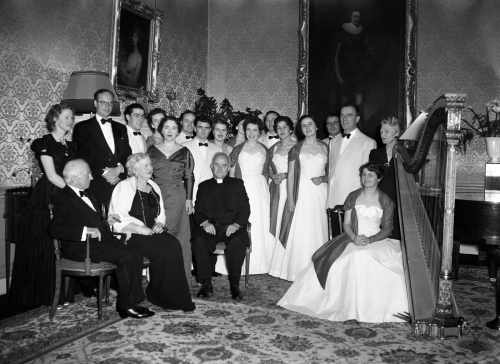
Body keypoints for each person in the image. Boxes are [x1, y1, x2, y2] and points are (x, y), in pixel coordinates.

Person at [278, 163, 408, 323]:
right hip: (352, 237)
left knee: (368, 259)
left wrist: (370, 240)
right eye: (363, 174)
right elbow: (346, 224)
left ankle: (369, 307)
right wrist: (355, 238)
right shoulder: (353, 196)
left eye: (370, 175)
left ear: (379, 178)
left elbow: (388, 229)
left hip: (376, 240)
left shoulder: (386, 201)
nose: (366, 178)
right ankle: (343, 305)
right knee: (347, 258)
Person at [50, 159, 152, 319]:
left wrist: (106, 221)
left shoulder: (89, 193)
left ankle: (134, 301)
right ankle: (127, 306)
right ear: (74, 178)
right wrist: (85, 231)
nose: (91, 177)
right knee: (126, 256)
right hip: (82, 248)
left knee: (134, 251)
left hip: (100, 243)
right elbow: (55, 228)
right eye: (88, 174)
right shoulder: (62, 197)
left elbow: (91, 220)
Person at [8, 103, 75, 313]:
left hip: (65, 195)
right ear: (54, 119)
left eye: (71, 118)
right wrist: (74, 193)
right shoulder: (43, 142)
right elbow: (52, 175)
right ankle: (43, 295)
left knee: (62, 246)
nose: (70, 121)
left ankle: (62, 293)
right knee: (46, 246)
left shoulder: (71, 145)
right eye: (66, 117)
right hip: (47, 197)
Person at [109, 153, 195, 312]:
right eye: (146, 166)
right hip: (132, 235)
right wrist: (141, 229)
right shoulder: (124, 186)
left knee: (173, 243)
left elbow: (160, 213)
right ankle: (161, 296)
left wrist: (159, 224)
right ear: (135, 170)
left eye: (150, 164)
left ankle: (167, 295)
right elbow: (118, 218)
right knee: (163, 249)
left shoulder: (154, 186)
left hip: (151, 232)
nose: (150, 168)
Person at [270, 115, 329, 281]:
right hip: (301, 192)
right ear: (300, 130)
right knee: (301, 229)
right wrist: (290, 199)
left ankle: (318, 266)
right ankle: (297, 269)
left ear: (317, 127)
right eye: (304, 126)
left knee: (318, 227)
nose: (307, 128)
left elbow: (331, 172)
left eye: (310, 124)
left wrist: (323, 179)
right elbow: (291, 174)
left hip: (320, 193)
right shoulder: (297, 148)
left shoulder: (325, 147)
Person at [192, 153, 250, 300]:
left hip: (232, 227)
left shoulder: (237, 184)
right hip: (211, 227)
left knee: (238, 242)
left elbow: (245, 209)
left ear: (229, 167)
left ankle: (234, 285)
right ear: (212, 166)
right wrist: (205, 223)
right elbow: (197, 210)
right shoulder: (204, 186)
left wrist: (236, 225)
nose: (220, 168)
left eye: (224, 165)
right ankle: (206, 284)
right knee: (198, 240)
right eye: (216, 164)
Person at [148, 116, 194, 281]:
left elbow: (189, 177)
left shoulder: (185, 152)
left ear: (178, 130)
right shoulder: (152, 151)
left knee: (177, 236)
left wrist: (189, 199)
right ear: (161, 129)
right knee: (157, 236)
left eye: (174, 128)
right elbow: (147, 176)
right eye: (166, 127)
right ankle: (160, 278)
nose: (170, 131)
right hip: (155, 196)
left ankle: (179, 279)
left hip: (177, 197)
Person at [229, 118, 275, 274]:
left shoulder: (265, 149)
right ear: (244, 131)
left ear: (260, 131)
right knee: (244, 220)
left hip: (260, 189)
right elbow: (232, 172)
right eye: (248, 130)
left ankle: (262, 262)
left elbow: (268, 171)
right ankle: (240, 261)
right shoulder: (237, 149)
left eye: (255, 130)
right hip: (243, 187)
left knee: (260, 221)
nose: (251, 133)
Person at [73, 89, 131, 206]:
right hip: (95, 185)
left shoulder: (121, 128)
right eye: (103, 102)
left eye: (110, 103)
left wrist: (119, 170)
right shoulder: (82, 127)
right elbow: (81, 158)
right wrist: (106, 174)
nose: (107, 106)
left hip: (120, 184)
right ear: (95, 103)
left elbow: (127, 154)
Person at [327, 104, 376, 208]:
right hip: (331, 198)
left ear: (357, 119)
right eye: (342, 115)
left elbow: (367, 176)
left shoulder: (368, 143)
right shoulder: (333, 141)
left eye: (349, 115)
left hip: (352, 198)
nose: (344, 119)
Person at [369, 116, 401, 239]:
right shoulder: (375, 154)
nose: (383, 134)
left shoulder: (404, 153)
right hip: (379, 201)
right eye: (381, 131)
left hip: (398, 201)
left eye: (387, 131)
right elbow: (372, 179)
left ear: (396, 133)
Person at [267, 116, 296, 239]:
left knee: (290, 221)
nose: (281, 130)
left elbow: (302, 170)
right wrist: (272, 176)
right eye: (278, 128)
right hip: (276, 188)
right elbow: (267, 167)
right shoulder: (274, 148)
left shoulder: (298, 146)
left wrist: (285, 175)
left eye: (285, 127)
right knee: (275, 218)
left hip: (292, 187)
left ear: (290, 129)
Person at [335, 10, 369, 107]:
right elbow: (337, 54)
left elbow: (365, 52)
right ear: (350, 17)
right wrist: (339, 74)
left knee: (359, 100)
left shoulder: (363, 32)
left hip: (359, 71)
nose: (356, 18)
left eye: (358, 16)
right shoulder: (343, 31)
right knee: (345, 99)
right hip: (345, 71)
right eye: (354, 16)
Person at [184, 118, 218, 205]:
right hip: (190, 195)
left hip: (211, 195)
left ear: (210, 130)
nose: (203, 131)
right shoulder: (184, 147)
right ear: (195, 128)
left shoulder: (217, 149)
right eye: (200, 127)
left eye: (206, 128)